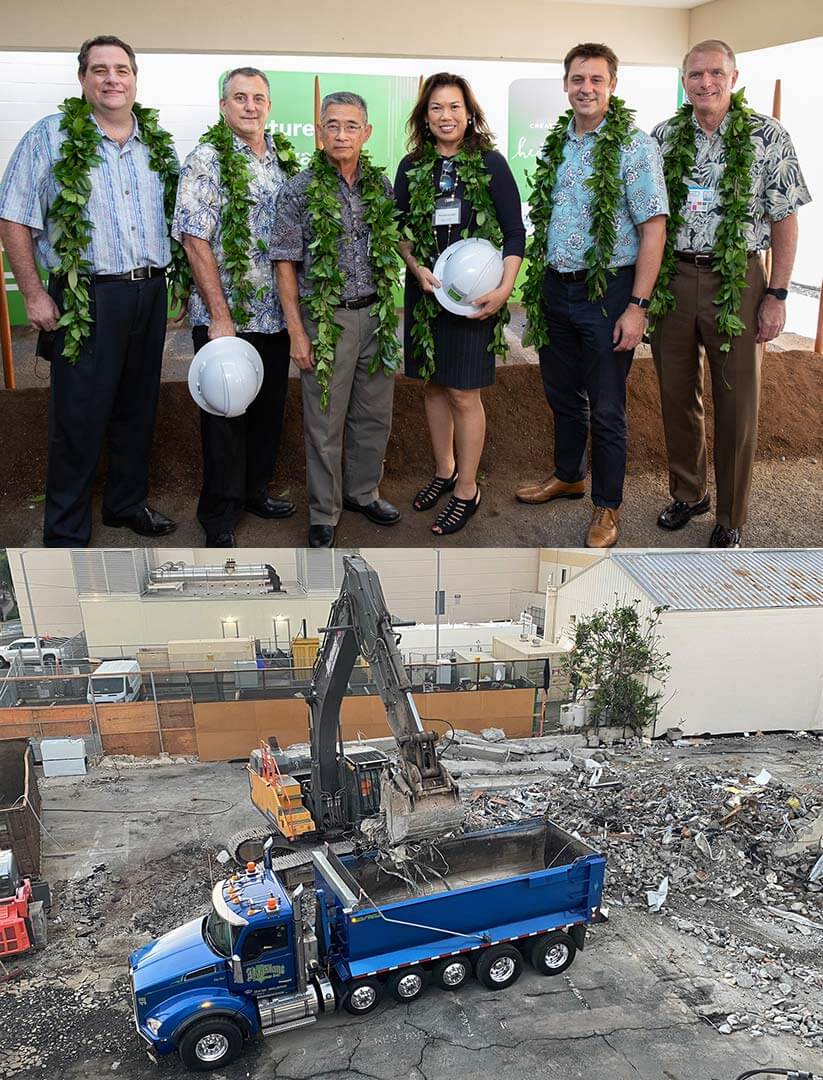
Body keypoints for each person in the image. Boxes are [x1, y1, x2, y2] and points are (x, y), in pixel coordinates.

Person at [0, 35, 179, 547]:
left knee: (137, 407)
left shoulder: (156, 143)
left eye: (120, 69)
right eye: (99, 69)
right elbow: (13, 217)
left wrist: (174, 288)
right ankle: (65, 530)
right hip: (85, 296)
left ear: (134, 79)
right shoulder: (49, 137)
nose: (111, 79)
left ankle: (125, 504)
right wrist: (35, 294)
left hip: (148, 291)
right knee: (78, 415)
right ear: (82, 79)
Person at [649, 40, 811, 548]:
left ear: (734, 77)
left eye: (716, 73)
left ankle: (731, 513)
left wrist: (778, 294)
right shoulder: (664, 136)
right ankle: (689, 493)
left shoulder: (768, 136)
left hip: (740, 279)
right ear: (684, 81)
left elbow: (785, 220)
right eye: (695, 75)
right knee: (676, 393)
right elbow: (649, 217)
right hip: (673, 277)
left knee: (736, 399)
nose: (706, 83)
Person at [516, 42, 668, 548]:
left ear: (612, 86)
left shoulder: (633, 145)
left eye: (596, 80)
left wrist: (637, 306)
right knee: (561, 394)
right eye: (578, 79)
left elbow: (653, 228)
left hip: (609, 292)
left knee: (606, 406)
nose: (586, 88)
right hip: (556, 290)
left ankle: (607, 507)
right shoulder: (558, 141)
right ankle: (568, 476)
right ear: (565, 84)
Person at [396, 73, 525, 536]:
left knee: (463, 393)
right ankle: (444, 471)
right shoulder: (411, 165)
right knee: (433, 385)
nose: (445, 116)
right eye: (436, 108)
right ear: (424, 117)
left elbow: (514, 233)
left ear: (469, 113)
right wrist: (416, 269)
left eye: (453, 107)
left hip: (475, 297)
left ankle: (468, 490)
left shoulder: (491, 163)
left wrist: (504, 289)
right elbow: (400, 232)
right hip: (427, 292)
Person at [173, 66, 296, 548]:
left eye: (258, 98)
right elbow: (194, 238)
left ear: (269, 106)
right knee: (226, 415)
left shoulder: (283, 161)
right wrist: (220, 316)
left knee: (267, 411)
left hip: (275, 315)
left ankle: (254, 493)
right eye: (239, 98)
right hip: (226, 320)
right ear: (223, 107)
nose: (250, 105)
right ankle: (219, 515)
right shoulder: (208, 159)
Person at [272, 91, 401, 549]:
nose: (341, 134)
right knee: (324, 422)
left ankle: (364, 492)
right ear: (318, 131)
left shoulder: (380, 187)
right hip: (327, 321)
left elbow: (395, 243)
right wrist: (297, 332)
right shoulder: (299, 189)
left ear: (366, 133)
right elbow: (284, 263)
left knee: (374, 416)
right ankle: (325, 512)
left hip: (377, 316)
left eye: (351, 126)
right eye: (332, 125)